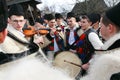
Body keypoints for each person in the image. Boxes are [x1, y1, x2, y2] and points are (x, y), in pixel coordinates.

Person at [80, 2, 120, 80]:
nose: (99, 29)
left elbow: (99, 48)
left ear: (110, 28)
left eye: (101, 26)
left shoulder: (109, 60)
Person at [0, 0, 39, 64]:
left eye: (21, 21)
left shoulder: (26, 32)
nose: (19, 24)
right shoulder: (4, 37)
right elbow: (16, 58)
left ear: (24, 21)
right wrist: (33, 43)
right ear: (9, 21)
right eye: (15, 21)